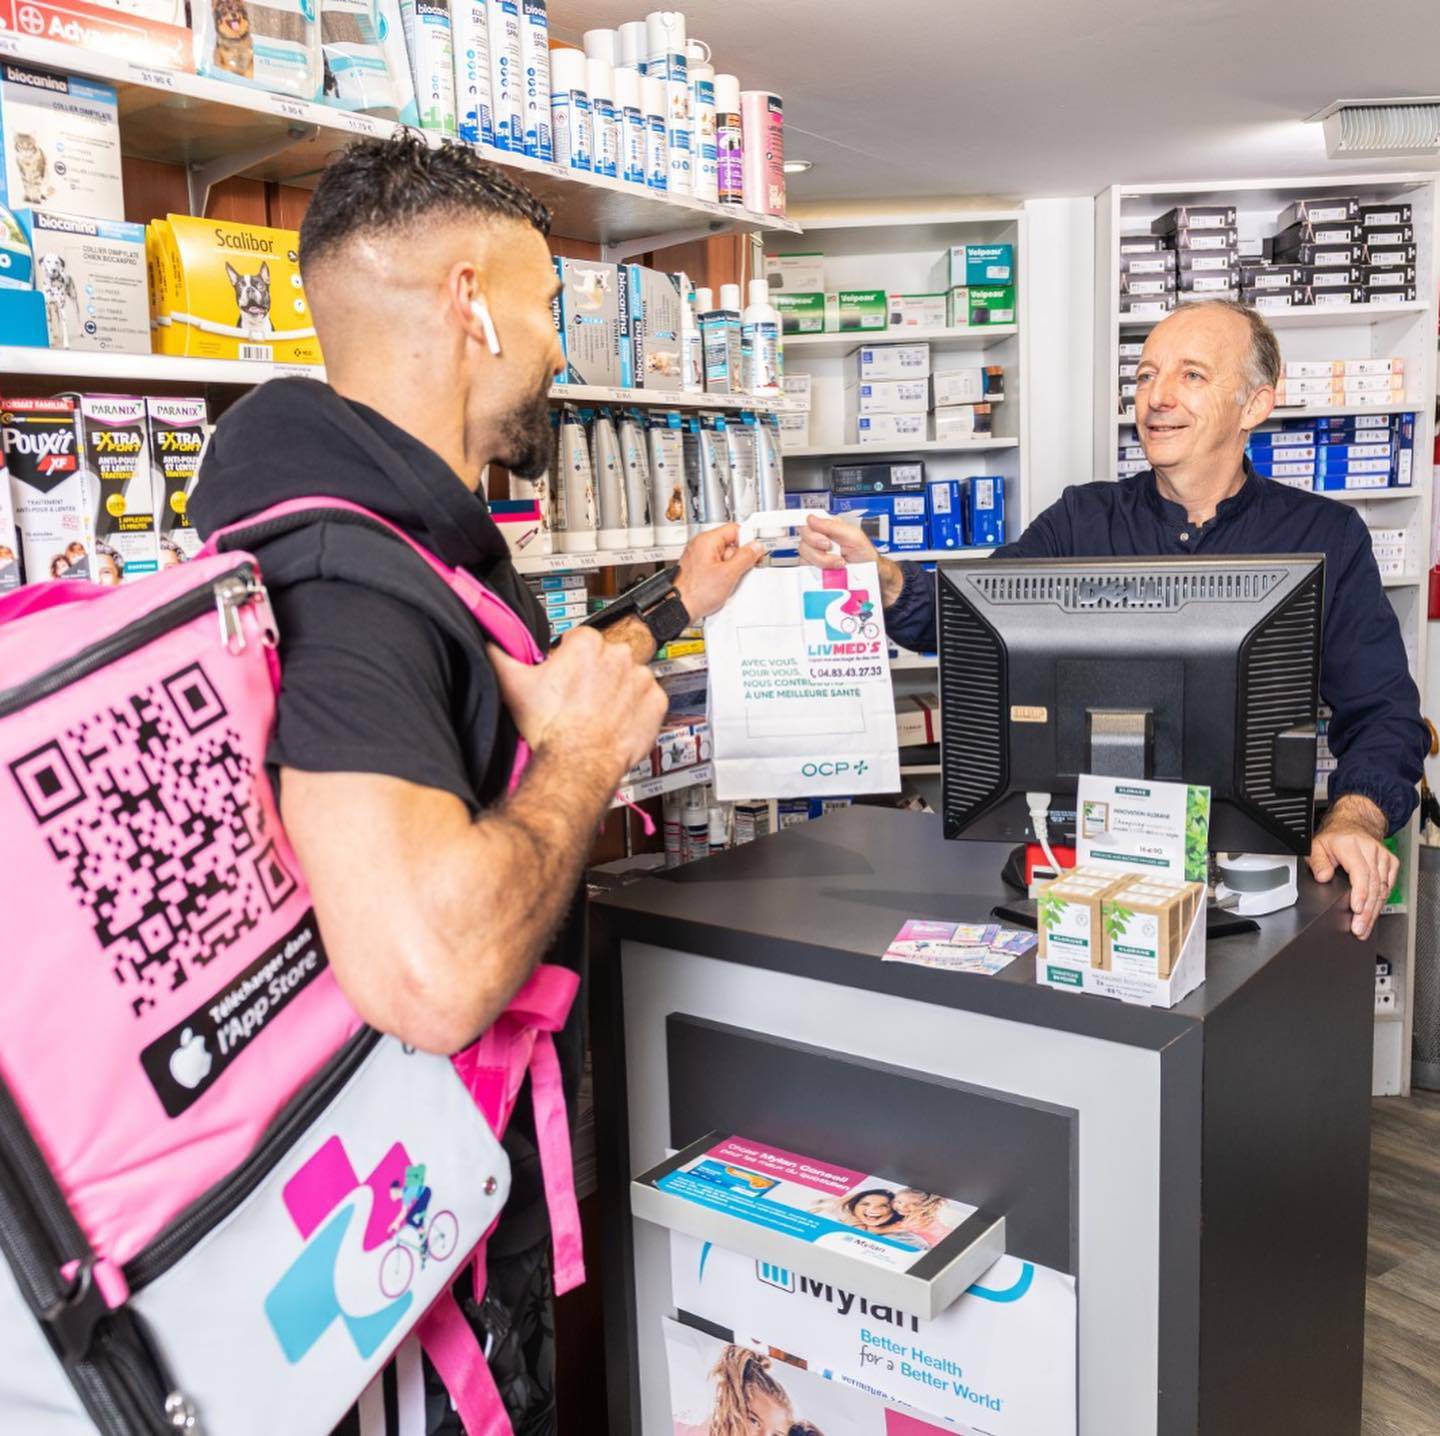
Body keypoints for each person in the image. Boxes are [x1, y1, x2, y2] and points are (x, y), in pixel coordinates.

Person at [190, 133, 761, 1435]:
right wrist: (583, 761)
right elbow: (430, 971)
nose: (560, 349)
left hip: (421, 1218)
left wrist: (674, 602)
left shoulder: (402, 532)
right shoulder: (348, 578)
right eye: (549, 310)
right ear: (469, 304)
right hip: (396, 1268)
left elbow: (518, 689)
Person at [800, 299, 1427, 942]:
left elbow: (1383, 713)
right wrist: (888, 580)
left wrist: (1357, 817)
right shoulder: (1082, 521)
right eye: (1146, 375)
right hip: (1078, 879)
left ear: (1255, 405)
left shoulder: (1324, 535)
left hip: (1244, 893)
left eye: (1191, 375)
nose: (1156, 397)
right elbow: (972, 619)